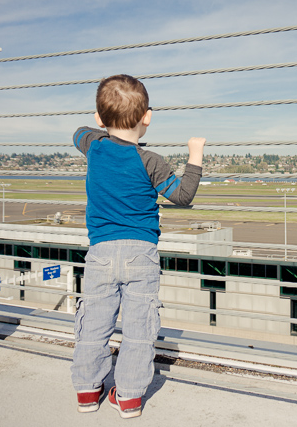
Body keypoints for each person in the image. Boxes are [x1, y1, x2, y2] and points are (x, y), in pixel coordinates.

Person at [71, 74, 205, 419]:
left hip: (100, 251)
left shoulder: (94, 145)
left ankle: (87, 389)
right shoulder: (151, 161)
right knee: (138, 327)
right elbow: (182, 195)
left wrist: (104, 127)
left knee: (95, 323)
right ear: (147, 116)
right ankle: (129, 396)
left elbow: (78, 133)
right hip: (141, 252)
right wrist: (195, 155)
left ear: (100, 119)